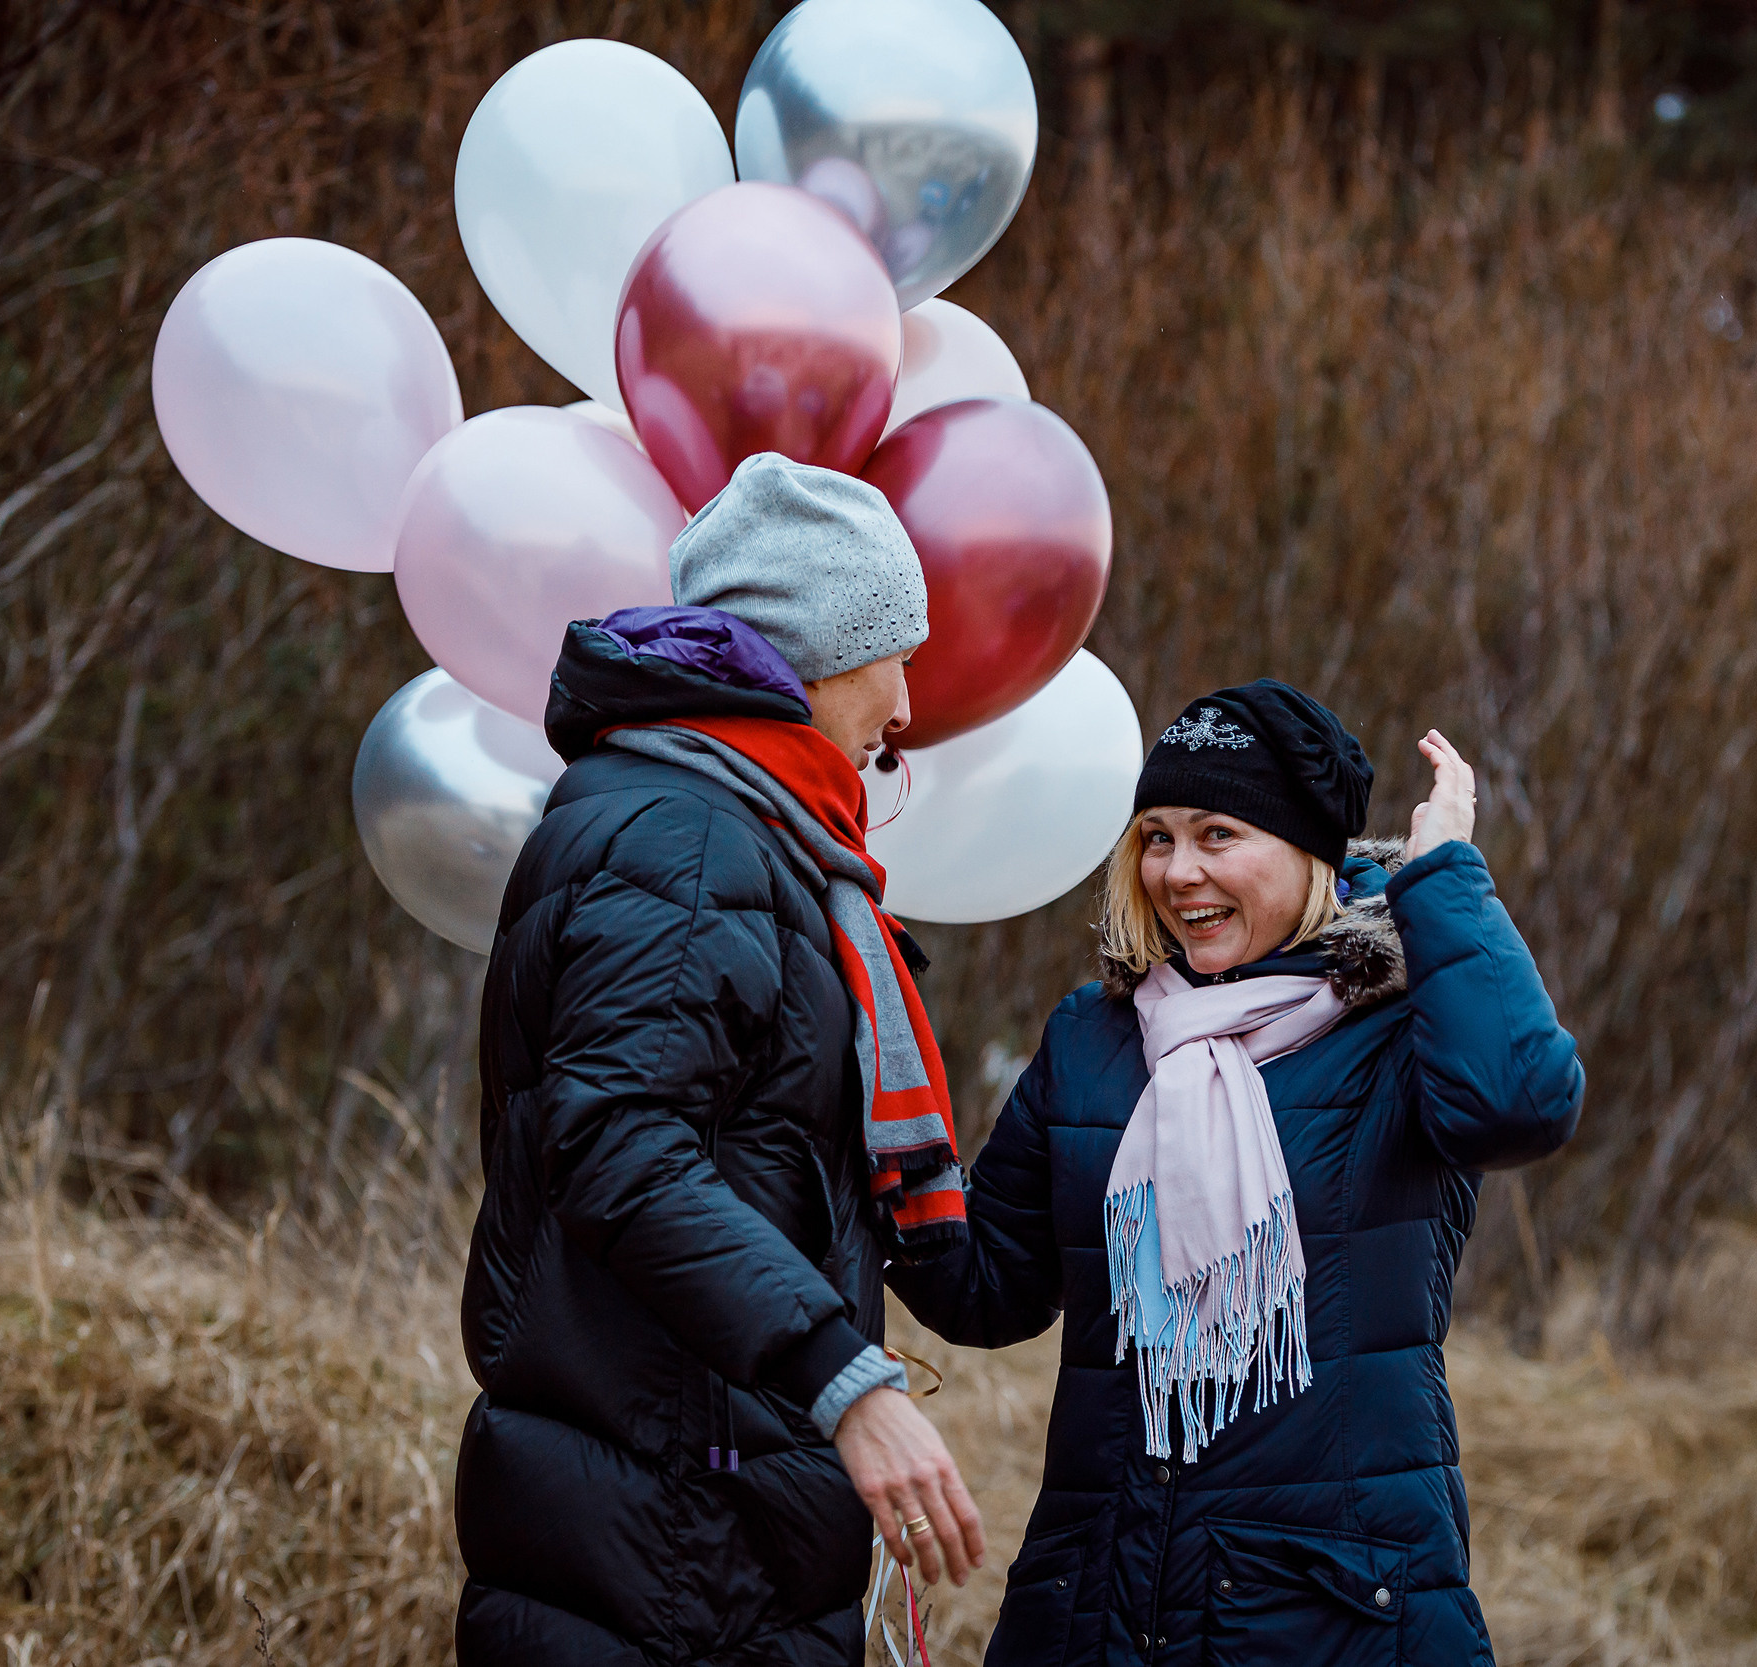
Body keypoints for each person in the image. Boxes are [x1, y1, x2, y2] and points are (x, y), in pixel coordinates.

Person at [888, 680, 1584, 1666]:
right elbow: (987, 1289)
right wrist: (870, 1140)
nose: (1178, 870)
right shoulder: (1094, 1035)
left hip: (1326, 1613)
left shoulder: (1396, 1031)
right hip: (1095, 1605)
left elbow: (1520, 1099)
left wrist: (1443, 876)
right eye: (1157, 835)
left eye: (1218, 833)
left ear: (1308, 853)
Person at [454, 454, 987, 1665]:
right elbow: (617, 1144)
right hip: (671, 1535)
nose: (904, 706)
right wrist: (843, 1377)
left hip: (696, 1508)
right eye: (893, 651)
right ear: (816, 653)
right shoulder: (690, 842)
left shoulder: (719, 822)